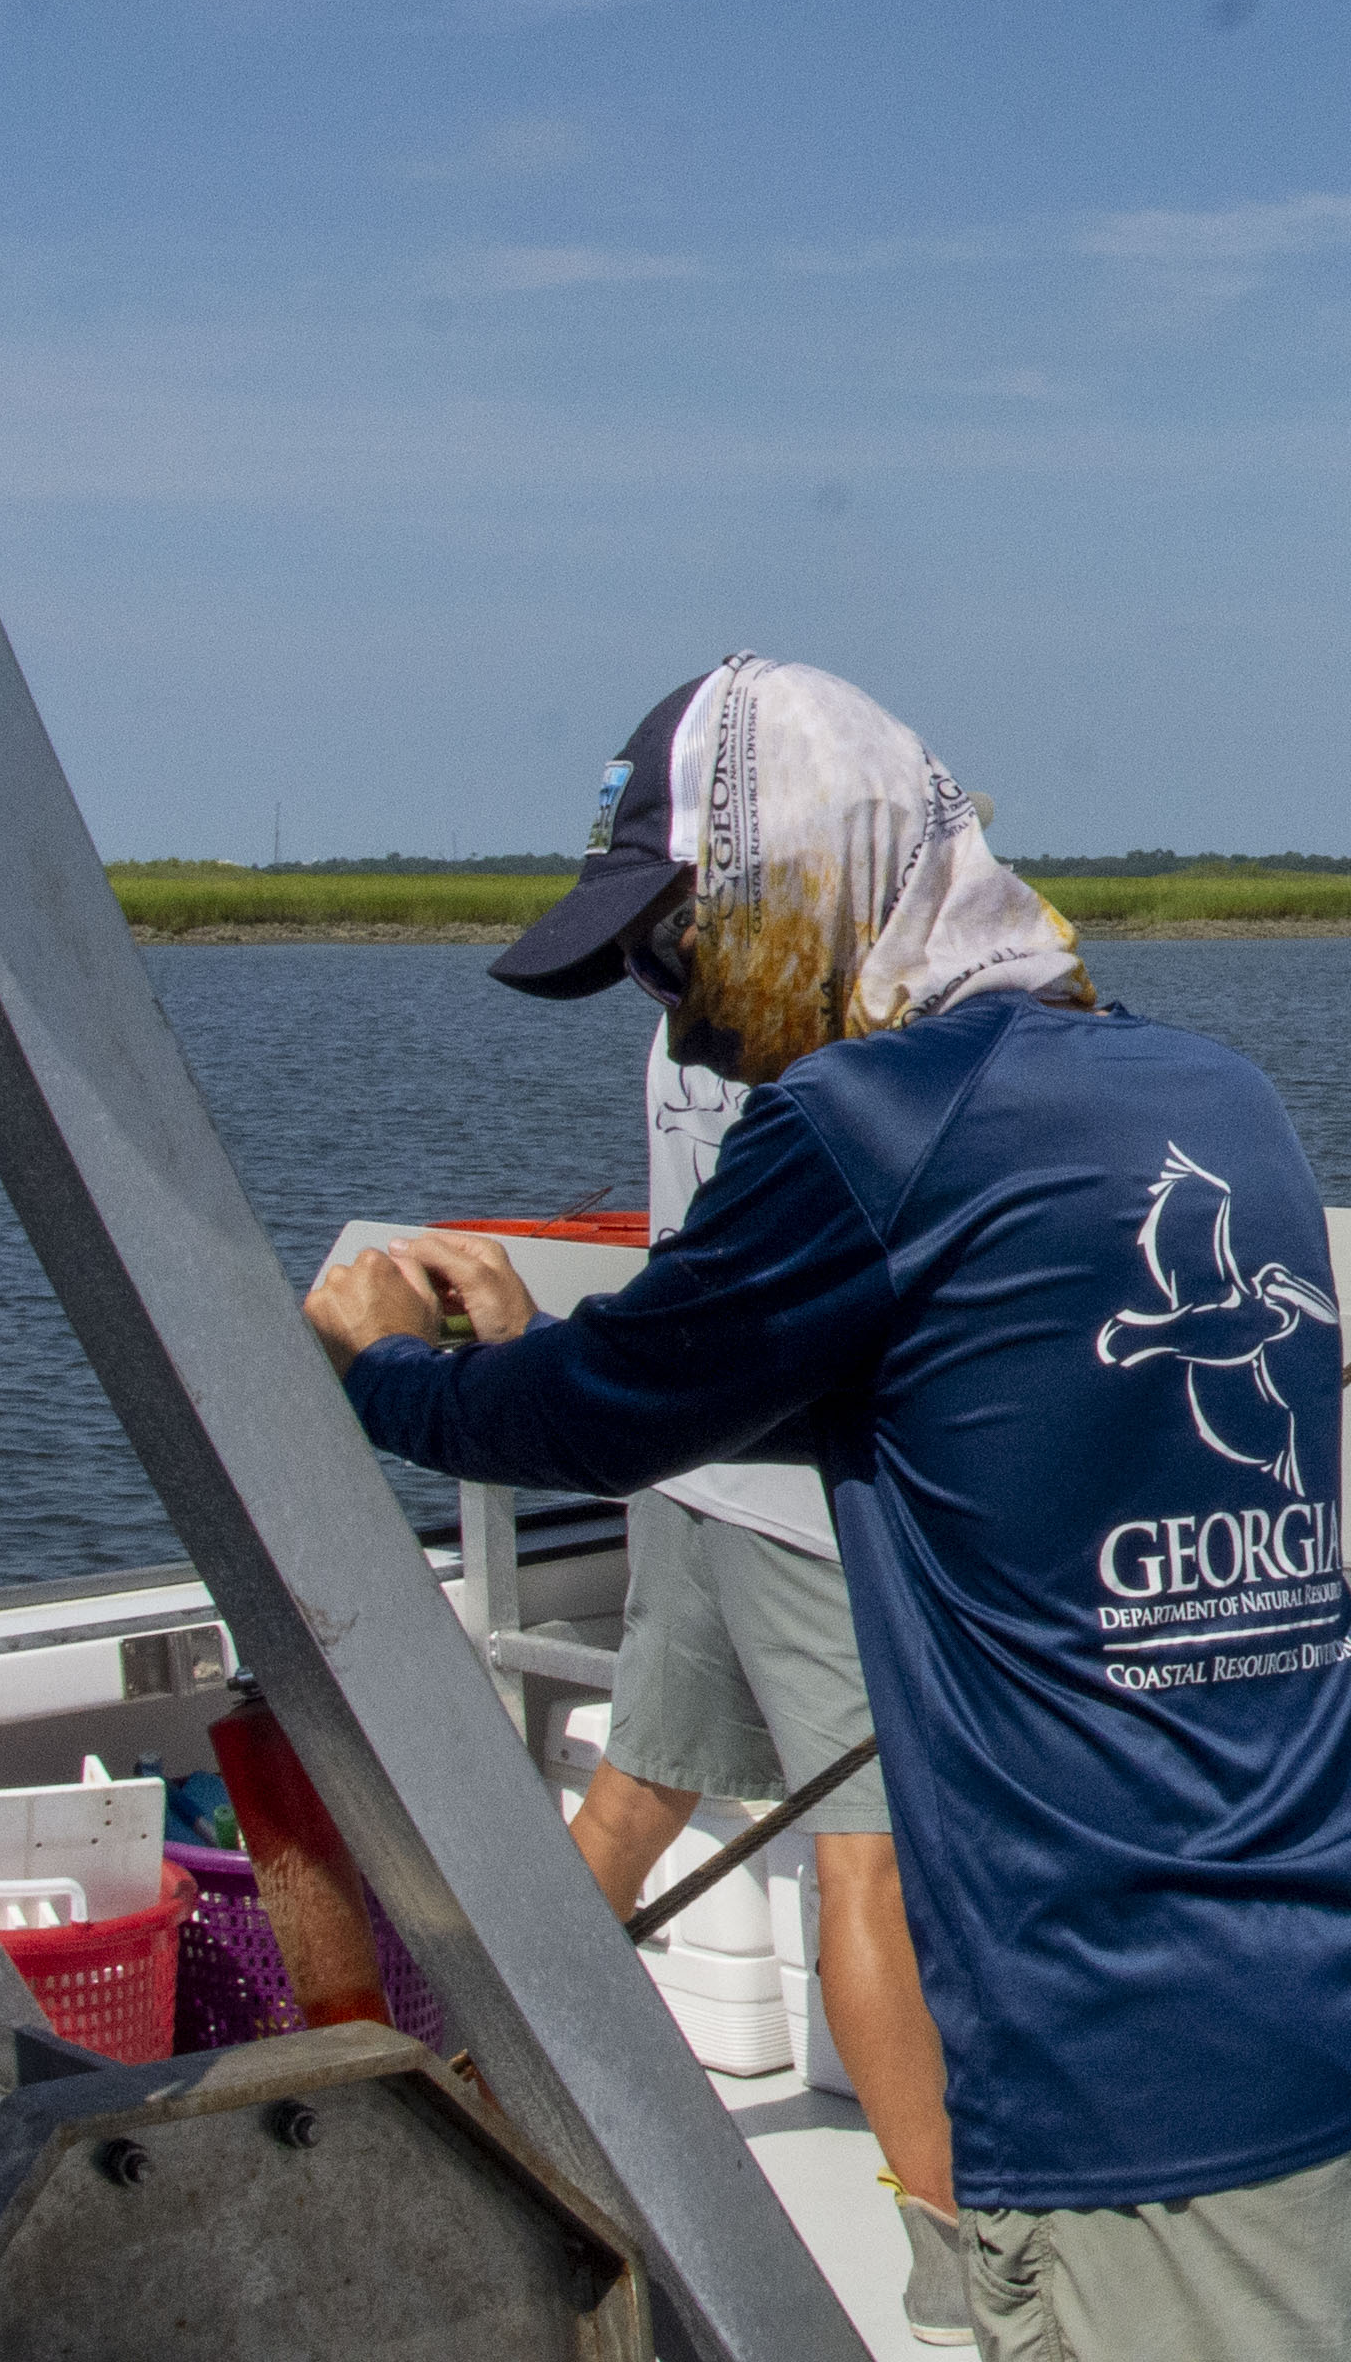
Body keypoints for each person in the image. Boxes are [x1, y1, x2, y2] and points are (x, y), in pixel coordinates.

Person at [306, 658, 1351, 2362]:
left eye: (677, 945)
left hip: (1165, 2124)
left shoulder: (857, 1126)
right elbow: (895, 1390)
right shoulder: (1211, 1096)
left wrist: (384, 1374)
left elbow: (606, 1417)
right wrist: (545, 1353)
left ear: (809, 879)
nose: (678, 1015)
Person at [485, 674, 969, 2342]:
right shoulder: (856, 1013)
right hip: (804, 1496)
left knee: (636, 1788)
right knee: (872, 1878)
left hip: (690, 1468)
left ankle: (485, 2110)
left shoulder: (684, 1007)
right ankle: (959, 2251)